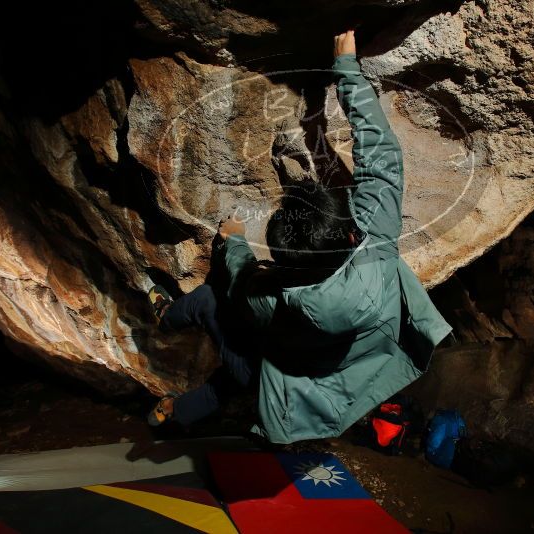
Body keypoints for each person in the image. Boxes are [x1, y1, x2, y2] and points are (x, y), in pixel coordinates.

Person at [147, 30, 453, 444]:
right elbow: (380, 155)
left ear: (281, 264)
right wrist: (347, 67)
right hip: (331, 385)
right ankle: (177, 412)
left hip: (289, 377)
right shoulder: (375, 245)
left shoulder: (274, 299)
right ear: (349, 233)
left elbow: (239, 280)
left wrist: (234, 240)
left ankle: (165, 319)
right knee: (242, 374)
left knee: (206, 302)